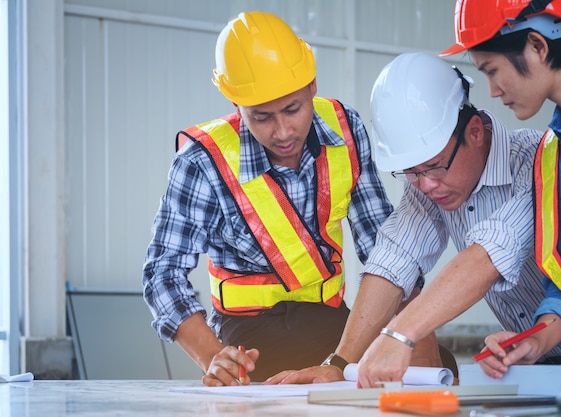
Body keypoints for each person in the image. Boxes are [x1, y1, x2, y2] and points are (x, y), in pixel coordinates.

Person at [265, 52, 561, 388]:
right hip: (532, 362)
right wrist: (338, 364)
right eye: (411, 172)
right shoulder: (429, 183)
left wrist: (399, 334)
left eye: (434, 166)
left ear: (475, 132)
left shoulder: (539, 162)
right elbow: (394, 259)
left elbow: (490, 253)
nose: (425, 185)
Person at [141, 10, 394, 386]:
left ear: (312, 86)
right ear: (236, 104)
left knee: (431, 366)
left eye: (293, 109)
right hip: (250, 338)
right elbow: (162, 273)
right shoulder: (202, 162)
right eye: (261, 117)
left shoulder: (346, 129)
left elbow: (385, 249)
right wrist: (214, 358)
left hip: (333, 320)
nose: (282, 131)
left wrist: (404, 334)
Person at [440, 0, 561, 378]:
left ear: (538, 47)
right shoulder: (553, 152)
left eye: (493, 71)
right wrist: (536, 339)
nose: (492, 91)